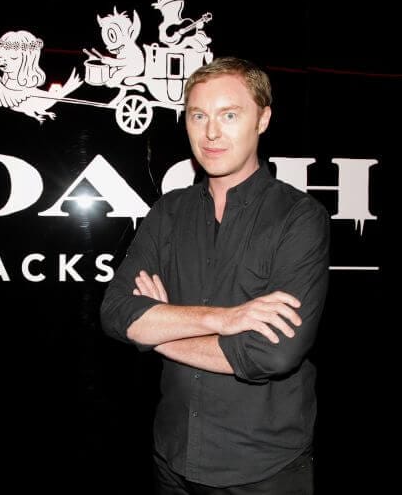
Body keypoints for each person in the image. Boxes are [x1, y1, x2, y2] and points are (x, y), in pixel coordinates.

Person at [100, 57, 330, 494]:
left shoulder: (300, 218)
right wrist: (224, 319)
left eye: (229, 115)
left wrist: (158, 332)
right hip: (171, 457)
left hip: (263, 470)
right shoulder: (168, 212)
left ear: (262, 119)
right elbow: (116, 313)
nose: (210, 133)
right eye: (198, 116)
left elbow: (273, 354)